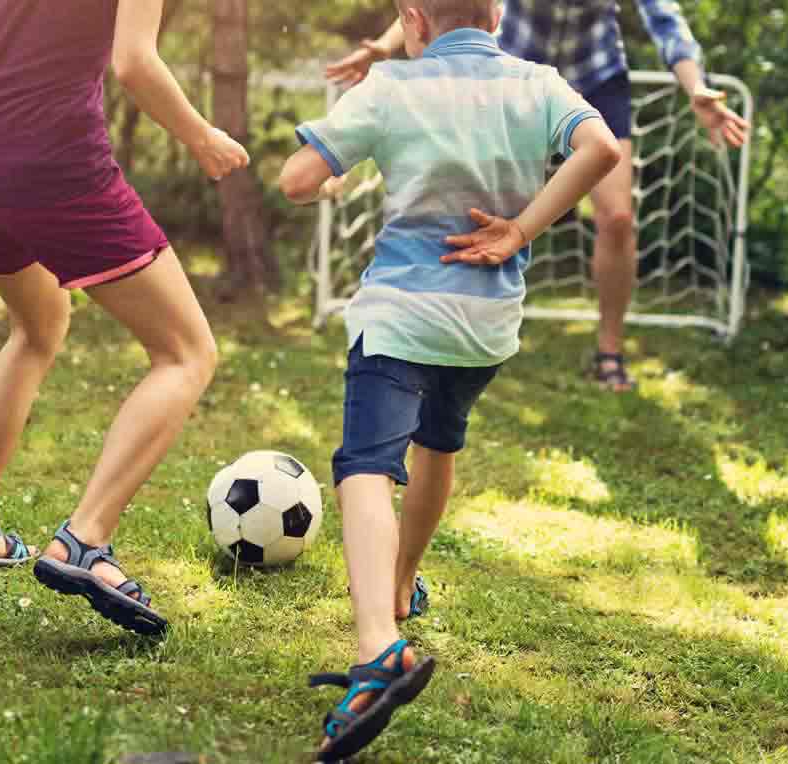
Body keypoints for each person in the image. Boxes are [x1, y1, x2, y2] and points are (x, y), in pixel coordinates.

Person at [278, 0, 621, 757]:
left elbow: (296, 179)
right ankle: (400, 583)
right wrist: (521, 229)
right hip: (485, 327)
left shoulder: (390, 87)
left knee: (366, 467)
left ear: (413, 18)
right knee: (438, 445)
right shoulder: (537, 83)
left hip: (401, 315)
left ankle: (378, 647)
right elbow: (601, 149)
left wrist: (337, 178)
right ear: (495, 14)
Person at [0, 0, 249, 639]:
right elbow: (133, 62)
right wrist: (202, 136)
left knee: (37, 327)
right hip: (54, 164)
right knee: (187, 352)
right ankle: (84, 542)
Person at [325, 0, 750, 392]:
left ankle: (609, 352)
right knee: (468, 202)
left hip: (597, 76)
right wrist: (384, 45)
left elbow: (664, 17)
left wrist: (695, 87)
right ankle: (453, 338)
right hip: (511, 73)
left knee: (618, 218)